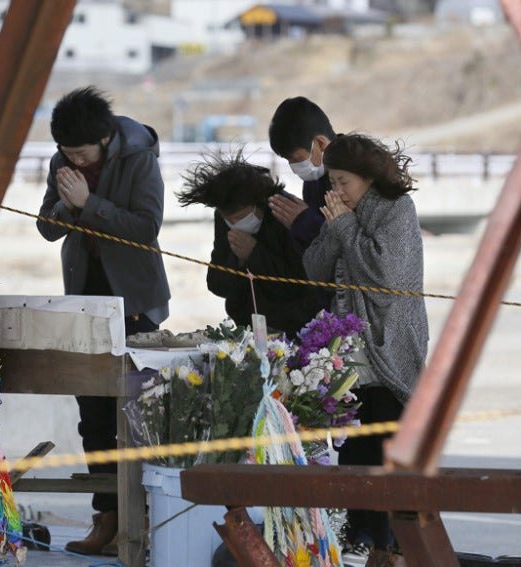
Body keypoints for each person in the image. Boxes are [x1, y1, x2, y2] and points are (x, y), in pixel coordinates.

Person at [36, 86, 171, 557]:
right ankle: (105, 520)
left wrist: (88, 204)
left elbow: (146, 227)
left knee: (136, 418)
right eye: (66, 153)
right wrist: (66, 206)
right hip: (84, 303)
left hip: (134, 303)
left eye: (81, 152)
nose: (72, 159)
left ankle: (143, 522)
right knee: (92, 417)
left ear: (107, 138)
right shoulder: (61, 162)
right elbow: (46, 226)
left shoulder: (138, 155)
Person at [301, 133, 429, 567]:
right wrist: (337, 230)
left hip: (390, 347)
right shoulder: (342, 212)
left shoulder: (397, 210)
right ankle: (357, 540)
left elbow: (385, 275)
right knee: (354, 448)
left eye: (343, 182)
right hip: (347, 352)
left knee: (387, 447)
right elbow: (314, 268)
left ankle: (391, 545)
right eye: (332, 182)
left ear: (369, 178)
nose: (336, 191)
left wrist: (344, 228)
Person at [176, 152, 322, 337]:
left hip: (295, 326)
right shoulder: (226, 217)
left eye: (238, 218)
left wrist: (253, 254)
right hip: (247, 326)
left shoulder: (285, 212)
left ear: (258, 205)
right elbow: (217, 284)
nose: (234, 223)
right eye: (228, 219)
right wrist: (237, 260)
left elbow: (298, 283)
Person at [266, 96, 337, 253]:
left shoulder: (357, 171)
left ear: (320, 144)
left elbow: (353, 240)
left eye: (297, 159)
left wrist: (305, 222)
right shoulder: (313, 181)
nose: (294, 168)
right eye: (289, 161)